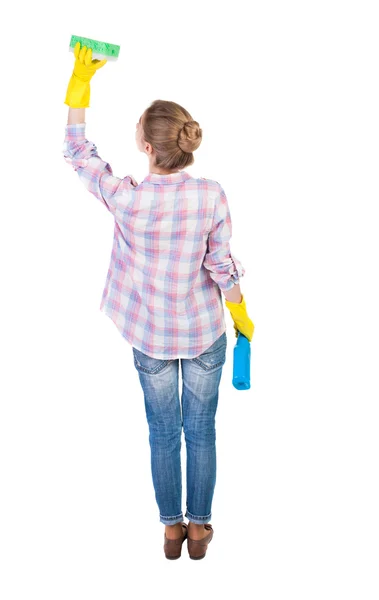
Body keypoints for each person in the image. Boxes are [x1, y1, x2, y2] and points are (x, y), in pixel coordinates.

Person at [63, 42, 254, 560]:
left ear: (147, 148)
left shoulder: (126, 197)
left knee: (163, 433)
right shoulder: (211, 194)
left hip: (149, 336)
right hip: (205, 336)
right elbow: (221, 269)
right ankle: (199, 530)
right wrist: (241, 314)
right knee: (202, 431)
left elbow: (78, 154)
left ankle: (171, 531)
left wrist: (81, 87)